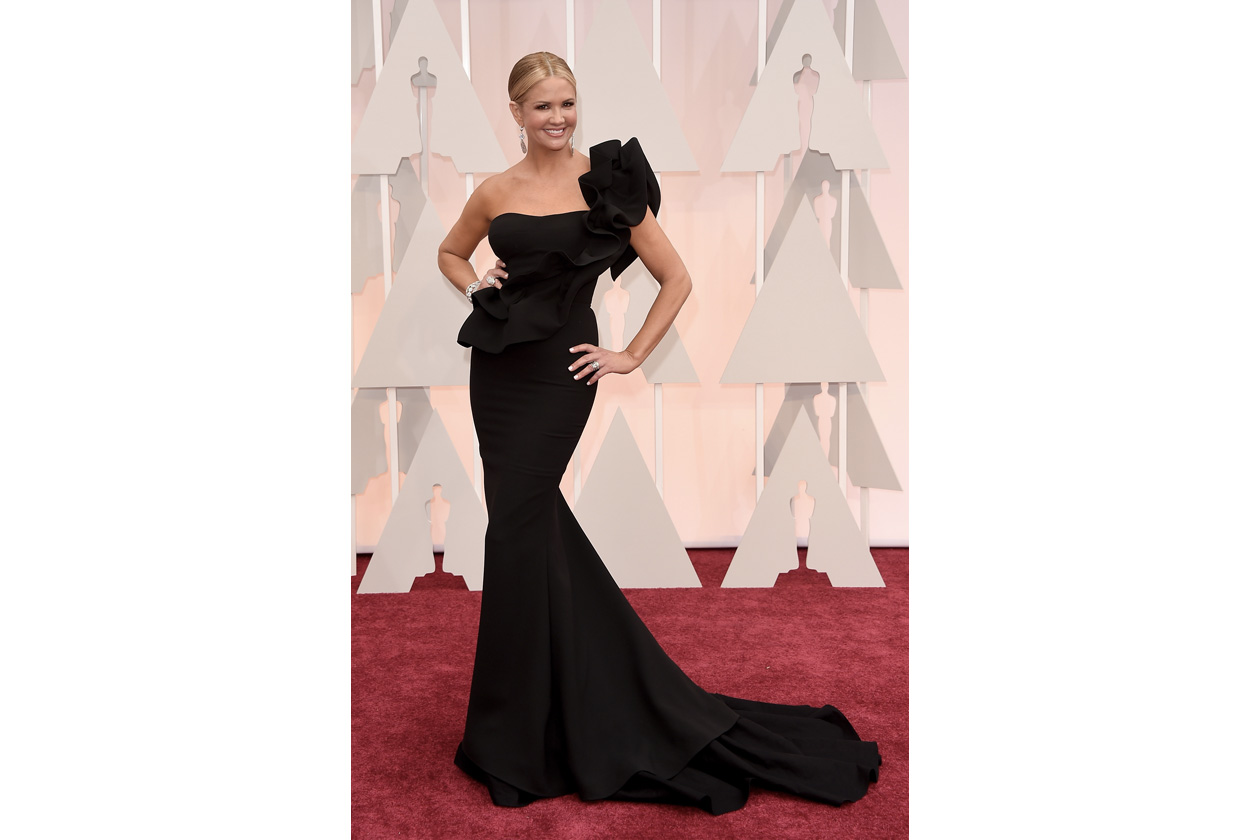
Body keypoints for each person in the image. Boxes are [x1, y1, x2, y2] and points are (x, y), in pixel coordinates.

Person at [436, 51, 880, 815]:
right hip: (498, 373)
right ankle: (541, 714)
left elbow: (677, 277)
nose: (558, 118)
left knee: (514, 533)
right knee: (525, 534)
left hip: (560, 376)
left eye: (567, 103)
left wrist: (630, 354)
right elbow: (450, 252)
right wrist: (474, 280)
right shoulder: (494, 190)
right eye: (542, 106)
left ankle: (519, 733)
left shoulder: (606, 184)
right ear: (515, 113)